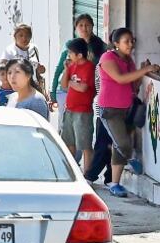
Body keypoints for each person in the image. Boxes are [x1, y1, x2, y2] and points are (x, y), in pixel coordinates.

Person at [97, 27, 158, 197]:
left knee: (119, 146)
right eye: (126, 41)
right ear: (116, 44)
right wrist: (144, 70)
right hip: (109, 109)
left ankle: (114, 184)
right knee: (123, 144)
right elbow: (120, 78)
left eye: (132, 41)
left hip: (127, 108)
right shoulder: (107, 57)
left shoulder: (128, 60)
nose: (130, 44)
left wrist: (143, 70)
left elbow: (133, 86)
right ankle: (130, 156)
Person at [50, 14, 107, 112]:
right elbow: (59, 69)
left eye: (87, 25)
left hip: (88, 92)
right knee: (65, 124)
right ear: (76, 27)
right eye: (80, 25)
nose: (84, 28)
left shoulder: (101, 46)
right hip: (66, 90)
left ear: (92, 26)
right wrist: (53, 92)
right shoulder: (70, 45)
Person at [58, 38, 96, 168]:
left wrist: (70, 83)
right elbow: (63, 85)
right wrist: (66, 69)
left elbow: (83, 87)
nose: (68, 56)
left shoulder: (89, 67)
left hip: (83, 111)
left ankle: (88, 175)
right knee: (69, 143)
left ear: (79, 55)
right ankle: (71, 170)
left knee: (85, 145)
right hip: (69, 109)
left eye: (70, 53)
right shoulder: (72, 66)